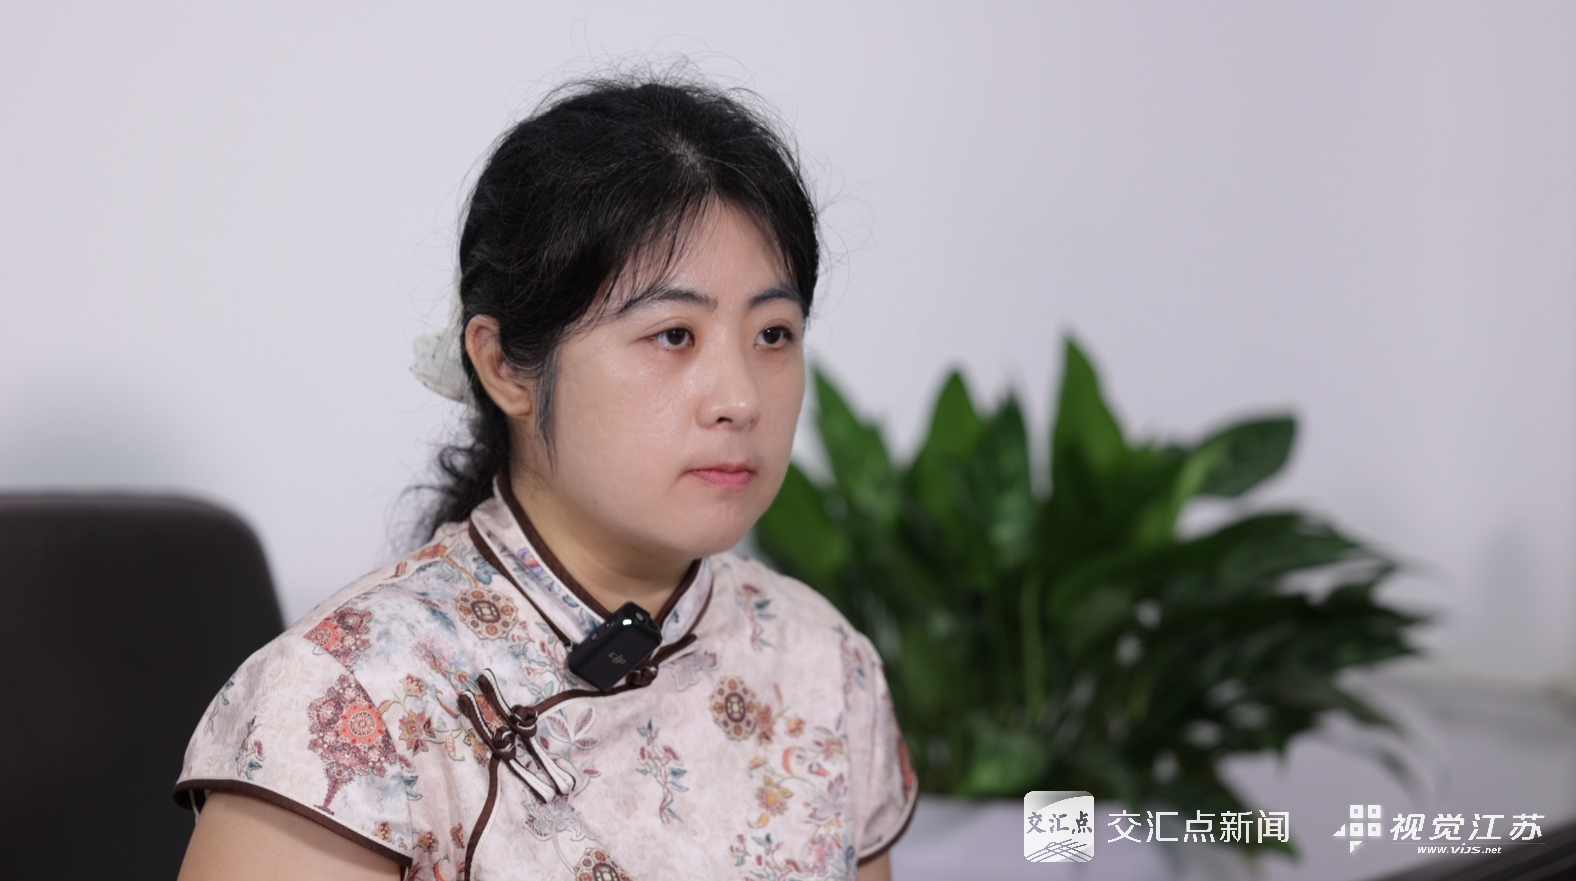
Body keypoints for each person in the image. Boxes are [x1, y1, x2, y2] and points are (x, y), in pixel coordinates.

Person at [174, 74, 917, 881]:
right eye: (674, 335)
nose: (740, 398)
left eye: (773, 333)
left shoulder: (821, 661)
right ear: (504, 366)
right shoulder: (351, 696)